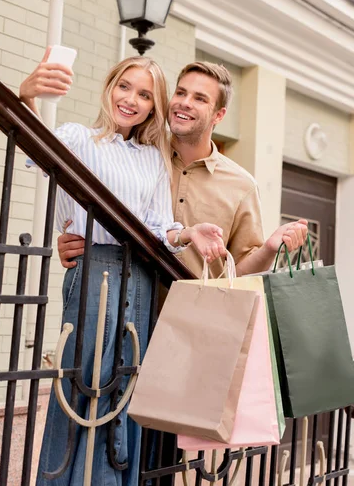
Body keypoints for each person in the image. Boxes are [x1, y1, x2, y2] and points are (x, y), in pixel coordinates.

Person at [19, 51, 226, 486]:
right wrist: (27, 95)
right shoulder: (77, 138)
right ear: (110, 86)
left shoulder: (152, 158)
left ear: (154, 107)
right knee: (81, 383)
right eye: (124, 86)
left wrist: (189, 234)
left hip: (141, 281)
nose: (131, 99)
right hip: (92, 273)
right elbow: (35, 148)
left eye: (145, 94)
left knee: (125, 386)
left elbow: (158, 227)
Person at [58, 61, 308, 278]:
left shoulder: (242, 186)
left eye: (200, 99)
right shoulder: (138, 156)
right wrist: (79, 240)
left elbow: (240, 273)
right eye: (180, 93)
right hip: (129, 301)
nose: (184, 103)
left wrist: (270, 249)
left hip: (192, 320)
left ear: (218, 115)